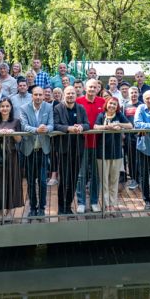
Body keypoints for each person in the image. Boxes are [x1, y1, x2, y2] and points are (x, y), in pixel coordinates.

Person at [53, 86, 90, 215]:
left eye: (72, 93)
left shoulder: (81, 108)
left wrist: (81, 127)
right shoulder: (58, 108)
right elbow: (55, 125)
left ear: (76, 95)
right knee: (64, 179)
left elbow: (87, 124)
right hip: (63, 149)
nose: (70, 96)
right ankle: (61, 207)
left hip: (77, 148)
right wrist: (68, 128)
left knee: (74, 178)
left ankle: (68, 205)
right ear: (64, 95)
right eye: (68, 93)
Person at [19, 86, 54, 217]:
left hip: (43, 150)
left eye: (40, 95)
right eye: (36, 95)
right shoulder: (24, 108)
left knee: (43, 181)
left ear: (44, 95)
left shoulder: (48, 107)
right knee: (30, 181)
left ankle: (42, 208)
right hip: (29, 150)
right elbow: (24, 126)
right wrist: (36, 130)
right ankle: (32, 207)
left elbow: (52, 124)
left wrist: (46, 128)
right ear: (32, 95)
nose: (38, 97)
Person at [0, 97, 25, 217]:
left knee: (10, 182)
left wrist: (13, 134)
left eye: (7, 106)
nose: (4, 108)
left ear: (11, 108)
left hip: (12, 156)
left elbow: (19, 140)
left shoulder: (16, 121)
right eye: (2, 106)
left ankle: (9, 210)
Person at [75, 79, 106, 213]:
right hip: (82, 143)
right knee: (81, 174)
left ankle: (94, 201)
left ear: (98, 88)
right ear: (85, 88)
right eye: (90, 87)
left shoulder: (102, 102)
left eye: (94, 87)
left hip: (98, 143)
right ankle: (81, 202)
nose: (92, 89)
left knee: (96, 174)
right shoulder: (78, 101)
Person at [95, 97, 129, 212]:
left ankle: (113, 204)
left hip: (117, 153)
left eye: (115, 104)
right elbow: (95, 127)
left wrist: (120, 124)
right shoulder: (101, 115)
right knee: (104, 180)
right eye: (110, 103)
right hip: (102, 153)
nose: (112, 106)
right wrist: (107, 127)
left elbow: (130, 125)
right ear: (106, 104)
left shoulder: (119, 115)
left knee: (114, 180)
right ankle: (106, 204)